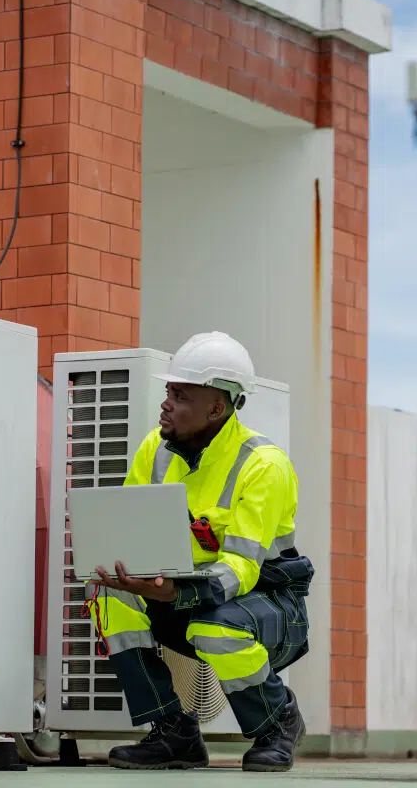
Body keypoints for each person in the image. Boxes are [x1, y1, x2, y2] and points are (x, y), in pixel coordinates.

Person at [87, 331, 314, 773]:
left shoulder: (264, 465)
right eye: (168, 392)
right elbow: (129, 525)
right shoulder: (156, 449)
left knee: (216, 628)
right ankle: (173, 733)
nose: (166, 403)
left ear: (217, 406)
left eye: (180, 394)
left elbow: (241, 570)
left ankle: (277, 722)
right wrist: (122, 569)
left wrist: (176, 594)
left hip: (269, 607)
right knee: (109, 600)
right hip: (184, 597)